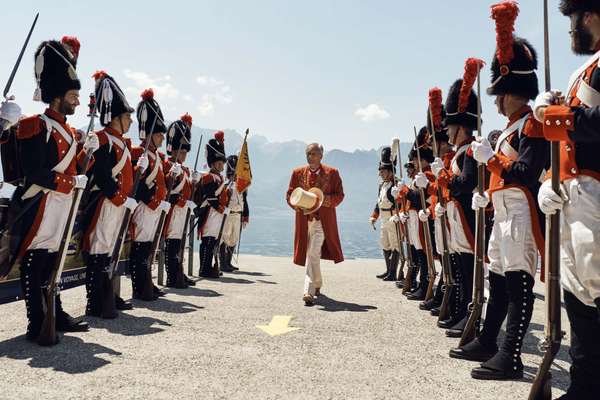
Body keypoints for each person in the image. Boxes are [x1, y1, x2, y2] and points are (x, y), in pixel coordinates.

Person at [453, 2, 549, 381]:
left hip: (522, 210)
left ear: (513, 91)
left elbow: (525, 172)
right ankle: (490, 338)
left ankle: (511, 354)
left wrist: (490, 161)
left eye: (500, 93)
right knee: (497, 276)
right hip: (502, 211)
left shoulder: (532, 126)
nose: (495, 101)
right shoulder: (512, 127)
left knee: (517, 280)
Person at [533, 1, 600, 397]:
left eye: (575, 18)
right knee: (578, 296)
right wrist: (550, 180)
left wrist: (561, 115)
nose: (574, 28)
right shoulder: (585, 71)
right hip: (576, 196)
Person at [12, 38, 90, 342]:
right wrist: (70, 182)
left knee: (52, 261)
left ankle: (54, 313)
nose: (77, 102)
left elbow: (72, 167)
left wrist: (87, 153)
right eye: (73, 96)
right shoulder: (35, 125)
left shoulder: (71, 133)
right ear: (58, 95)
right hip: (40, 203)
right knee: (35, 262)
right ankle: (37, 321)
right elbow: (36, 173)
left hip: (59, 206)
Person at [80, 71, 136, 318]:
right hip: (105, 202)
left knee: (108, 251)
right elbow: (102, 177)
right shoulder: (102, 139)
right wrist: (119, 197)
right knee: (98, 251)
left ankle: (107, 298)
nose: (131, 122)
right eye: (127, 117)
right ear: (115, 118)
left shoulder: (120, 142)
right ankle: (96, 303)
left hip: (117, 203)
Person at [286, 143, 344, 306]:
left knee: (312, 252)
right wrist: (296, 204)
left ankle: (308, 291)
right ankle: (317, 283)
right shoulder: (297, 173)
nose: (310, 156)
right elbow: (290, 194)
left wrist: (324, 200)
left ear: (321, 155)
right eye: (309, 153)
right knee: (313, 254)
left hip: (322, 221)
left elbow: (340, 195)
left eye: (314, 153)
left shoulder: (332, 173)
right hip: (304, 220)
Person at [129, 88, 170, 301]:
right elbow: (140, 187)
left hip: (154, 208)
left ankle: (147, 282)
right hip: (144, 207)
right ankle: (140, 285)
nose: (162, 137)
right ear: (149, 133)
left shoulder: (156, 157)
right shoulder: (139, 153)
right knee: (141, 247)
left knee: (148, 248)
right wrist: (155, 202)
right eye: (159, 133)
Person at [162, 114, 198, 288]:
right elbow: (167, 188)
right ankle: (172, 276)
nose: (184, 155)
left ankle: (179, 273)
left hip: (182, 210)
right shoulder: (168, 165)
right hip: (173, 210)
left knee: (179, 244)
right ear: (173, 150)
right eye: (181, 152)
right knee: (172, 244)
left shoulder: (184, 169)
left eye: (185, 152)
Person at [195, 131, 227, 279]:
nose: (221, 166)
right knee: (207, 242)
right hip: (209, 213)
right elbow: (210, 196)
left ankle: (209, 267)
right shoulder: (208, 177)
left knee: (213, 241)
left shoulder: (220, 178)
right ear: (213, 163)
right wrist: (220, 208)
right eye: (219, 163)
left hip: (217, 214)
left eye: (222, 163)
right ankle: (204, 268)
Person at [370, 146, 401, 281]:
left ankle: (393, 272)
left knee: (395, 245)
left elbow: (401, 203)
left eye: (383, 171)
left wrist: (397, 216)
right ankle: (389, 270)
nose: (380, 174)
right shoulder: (381, 185)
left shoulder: (397, 184)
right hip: (383, 218)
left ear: (390, 171)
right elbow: (379, 203)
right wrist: (374, 216)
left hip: (393, 218)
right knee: (385, 243)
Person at [217, 155, 250, 273]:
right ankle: (222, 263)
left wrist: (245, 215)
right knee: (224, 238)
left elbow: (244, 201)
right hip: (228, 214)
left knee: (234, 238)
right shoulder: (226, 185)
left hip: (238, 214)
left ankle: (228, 261)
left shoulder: (242, 187)